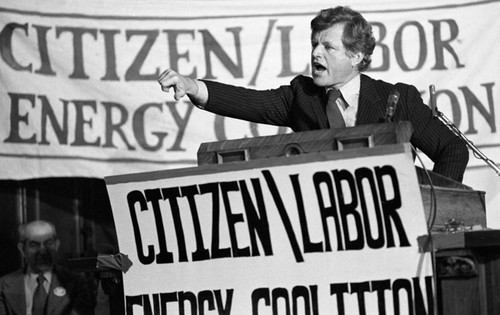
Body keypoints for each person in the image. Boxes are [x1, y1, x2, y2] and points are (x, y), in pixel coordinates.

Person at [157, 6, 469, 182]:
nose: (316, 54)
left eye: (328, 47)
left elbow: (453, 149)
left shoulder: (397, 99)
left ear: (356, 55)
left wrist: (433, 205)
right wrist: (194, 86)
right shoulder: (300, 97)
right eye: (314, 45)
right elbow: (249, 102)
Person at [0, 220, 94, 315]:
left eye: (48, 243)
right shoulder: (4, 285)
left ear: (56, 245)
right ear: (22, 249)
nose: (43, 251)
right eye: (34, 245)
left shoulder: (76, 283)